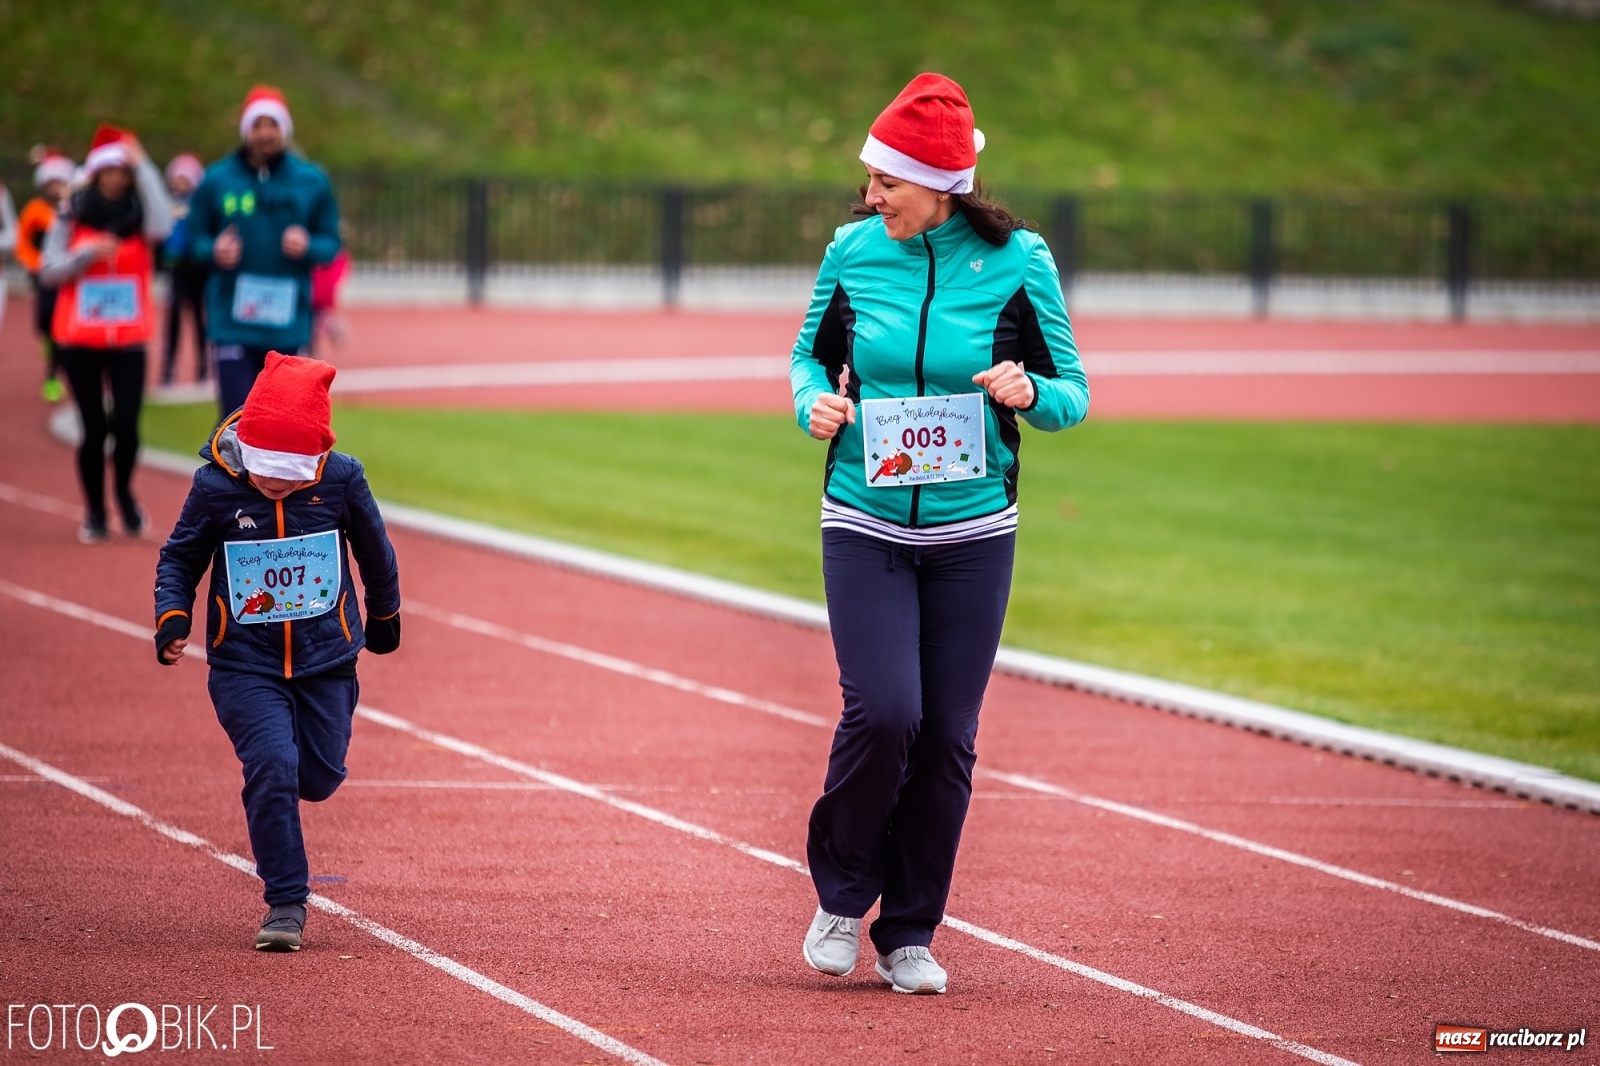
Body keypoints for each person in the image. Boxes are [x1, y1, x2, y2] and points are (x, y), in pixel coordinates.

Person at [791, 73, 1089, 994]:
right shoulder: (852, 251)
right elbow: (807, 354)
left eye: (888, 181)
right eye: (872, 178)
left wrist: (1028, 393)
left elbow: (1074, 394)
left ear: (939, 185)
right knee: (885, 712)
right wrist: (815, 401)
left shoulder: (1020, 263)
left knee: (950, 737)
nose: (871, 195)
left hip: (974, 535)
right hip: (866, 518)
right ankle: (843, 896)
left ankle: (910, 932)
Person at [153, 352, 402, 951]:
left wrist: (386, 614)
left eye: (290, 475)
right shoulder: (215, 486)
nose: (275, 484)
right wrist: (172, 615)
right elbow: (181, 556)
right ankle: (285, 903)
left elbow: (375, 549)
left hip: (326, 659)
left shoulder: (342, 479)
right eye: (266, 470)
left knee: (315, 778)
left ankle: (288, 810)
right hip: (244, 662)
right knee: (272, 765)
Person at [39, 126, 171, 543]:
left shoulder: (140, 213)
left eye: (123, 170)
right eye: (108, 171)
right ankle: (95, 510)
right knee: (93, 429)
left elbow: (164, 224)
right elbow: (47, 270)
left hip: (129, 339)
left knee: (128, 428)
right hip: (80, 339)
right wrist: (83, 255)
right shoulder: (71, 212)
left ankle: (125, 495)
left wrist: (145, 164)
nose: (116, 178)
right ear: (95, 175)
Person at [188, 85, 341, 416]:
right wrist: (212, 249)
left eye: (273, 124)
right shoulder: (217, 179)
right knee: (235, 421)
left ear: (284, 129)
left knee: (283, 424)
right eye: (257, 125)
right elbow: (190, 238)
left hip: (287, 324)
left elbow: (332, 244)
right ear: (246, 130)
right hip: (232, 321)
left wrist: (309, 245)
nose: (265, 134)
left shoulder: (312, 181)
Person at [16, 149, 75, 403]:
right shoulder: (35, 210)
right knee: (44, 322)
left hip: (67, 278)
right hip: (44, 276)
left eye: (59, 182)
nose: (55, 187)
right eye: (50, 183)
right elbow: (23, 242)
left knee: (60, 329)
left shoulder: (73, 209)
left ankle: (52, 375)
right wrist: (35, 263)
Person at [160, 153, 209, 386]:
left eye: (185, 178)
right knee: (174, 318)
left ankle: (203, 367)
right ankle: (168, 368)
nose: (181, 183)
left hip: (198, 268)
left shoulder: (200, 205)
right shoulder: (168, 203)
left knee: (200, 319)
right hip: (176, 268)